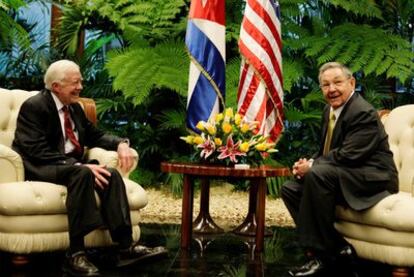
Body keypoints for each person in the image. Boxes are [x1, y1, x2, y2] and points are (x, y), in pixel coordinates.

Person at [12, 60, 167, 276]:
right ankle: (76, 254)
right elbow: (35, 150)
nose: (80, 87)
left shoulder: (74, 108)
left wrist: (121, 144)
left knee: (110, 174)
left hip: (72, 167)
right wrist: (78, 164)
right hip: (42, 166)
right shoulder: (35, 106)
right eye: (75, 83)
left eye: (81, 82)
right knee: (83, 172)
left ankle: (125, 247)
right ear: (56, 86)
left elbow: (95, 135)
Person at [281, 62, 398, 276]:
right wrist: (306, 164)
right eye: (325, 85)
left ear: (351, 82)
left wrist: (313, 166)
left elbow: (350, 155)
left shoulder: (363, 112)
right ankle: (338, 249)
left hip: (372, 176)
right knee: (290, 188)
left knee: (317, 173)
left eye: (337, 82)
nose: (331, 89)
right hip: (343, 172)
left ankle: (319, 257)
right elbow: (328, 152)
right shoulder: (329, 110)